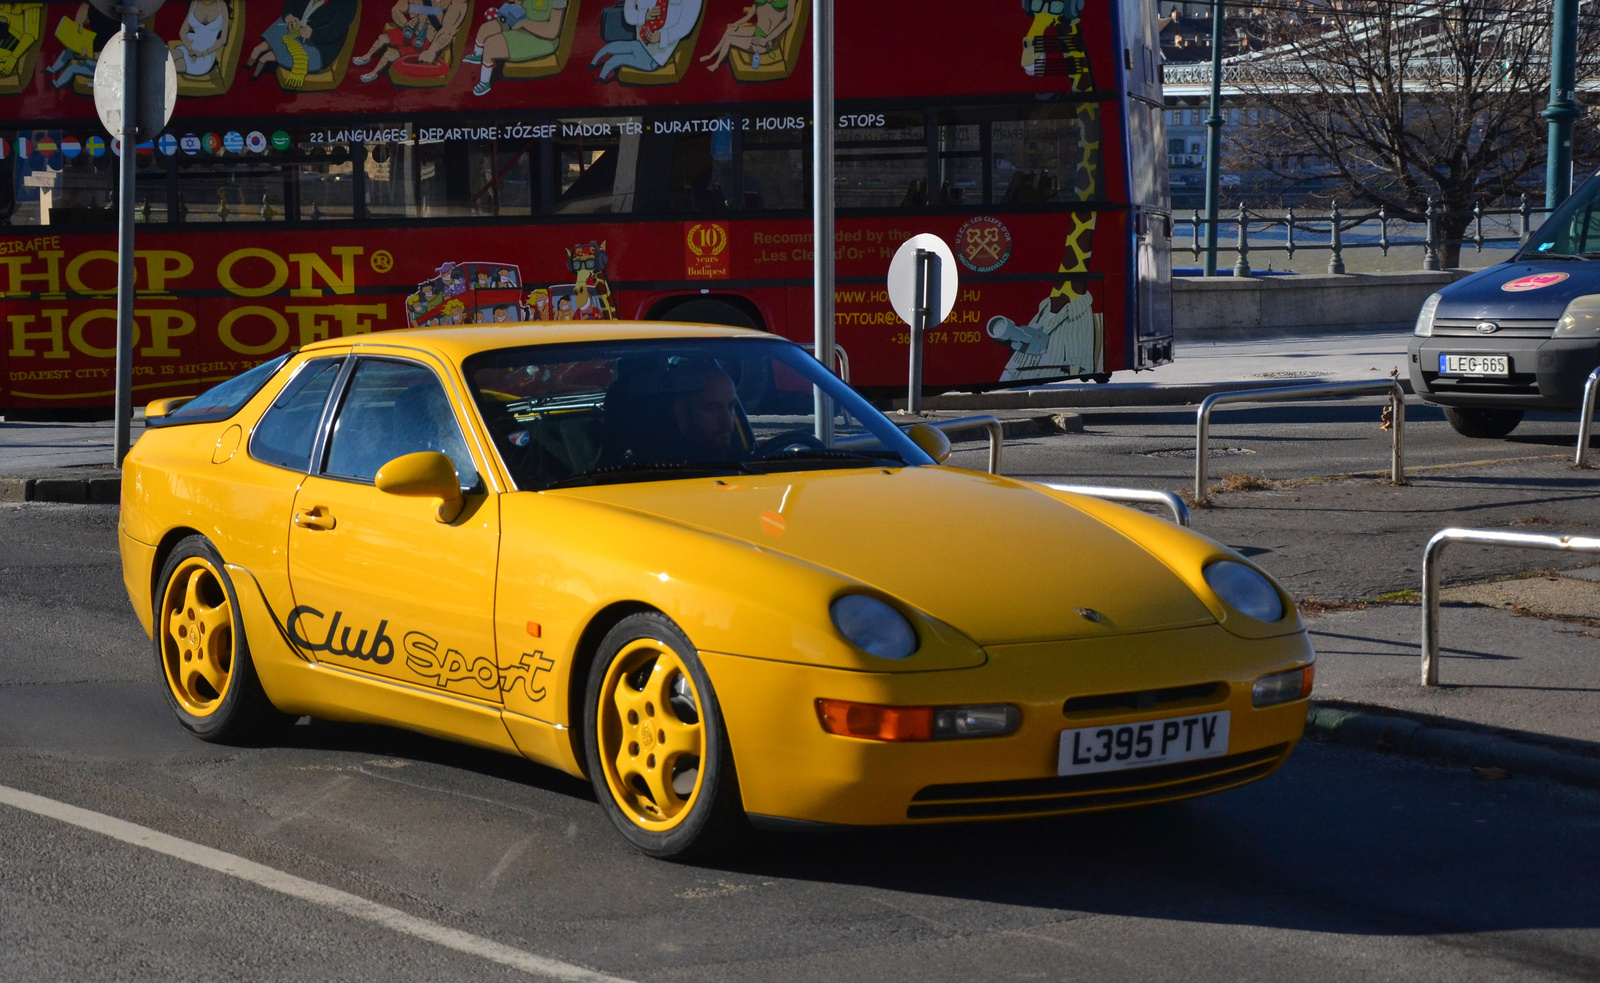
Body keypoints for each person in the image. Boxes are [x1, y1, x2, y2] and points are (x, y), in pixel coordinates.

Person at [464, 0, 566, 96]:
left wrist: (524, 24)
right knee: (485, 29)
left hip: (541, 37)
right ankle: (478, 55)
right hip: (519, 23)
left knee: (492, 45)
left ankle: (484, 83)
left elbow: (552, 31)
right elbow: (518, 8)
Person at [246, 0, 359, 86]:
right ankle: (248, 66)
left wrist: (313, 34)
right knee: (259, 48)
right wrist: (288, 16)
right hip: (296, 29)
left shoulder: (348, 2)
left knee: (266, 57)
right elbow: (290, 4)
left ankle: (256, 75)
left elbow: (336, 29)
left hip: (319, 47)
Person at [353, 0, 469, 84]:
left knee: (389, 55)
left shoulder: (457, 2)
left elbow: (448, 30)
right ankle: (367, 56)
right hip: (411, 30)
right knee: (383, 38)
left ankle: (373, 73)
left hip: (427, 42)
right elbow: (396, 9)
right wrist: (406, 25)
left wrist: (432, 51)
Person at [589, 0, 702, 81]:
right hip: (641, 42)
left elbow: (685, 25)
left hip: (657, 55)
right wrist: (644, 15)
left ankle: (601, 78)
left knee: (616, 59)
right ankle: (593, 64)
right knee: (610, 48)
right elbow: (629, 13)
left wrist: (661, 36)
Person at [669, 361, 740, 459]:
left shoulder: (747, 462)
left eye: (731, 406)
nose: (728, 421)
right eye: (713, 408)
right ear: (682, 412)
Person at [699, 0, 791, 72]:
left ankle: (716, 64)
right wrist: (736, 24)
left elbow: (789, 20)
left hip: (766, 40)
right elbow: (748, 16)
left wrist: (765, 40)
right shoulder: (761, 1)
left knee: (729, 39)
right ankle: (710, 55)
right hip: (756, 30)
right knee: (730, 30)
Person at [173, 0, 230, 76]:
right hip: (190, 48)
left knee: (172, 67)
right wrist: (190, 50)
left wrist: (203, 53)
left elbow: (223, 39)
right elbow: (182, 32)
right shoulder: (194, 3)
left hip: (206, 55)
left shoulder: (221, 5)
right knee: (168, 59)